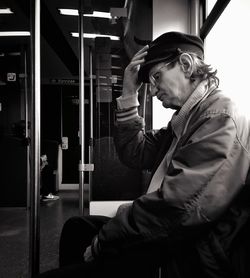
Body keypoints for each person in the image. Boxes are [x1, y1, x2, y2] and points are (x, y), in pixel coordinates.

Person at [36, 31, 250, 278]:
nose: (153, 90)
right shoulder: (185, 120)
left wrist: (104, 239)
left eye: (157, 77)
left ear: (186, 65)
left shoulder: (217, 118)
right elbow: (134, 152)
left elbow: (176, 208)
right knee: (77, 227)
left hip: (189, 252)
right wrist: (129, 93)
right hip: (169, 235)